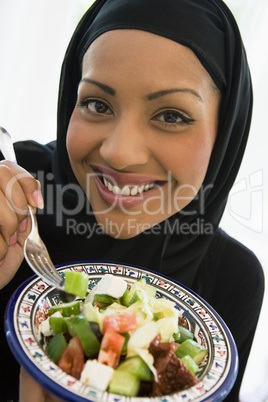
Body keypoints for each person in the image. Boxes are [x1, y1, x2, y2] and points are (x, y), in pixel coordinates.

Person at [0, 0, 264, 401]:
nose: (120, 153)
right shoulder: (12, 202)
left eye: (171, 115)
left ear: (224, 131)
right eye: (97, 104)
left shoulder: (233, 278)